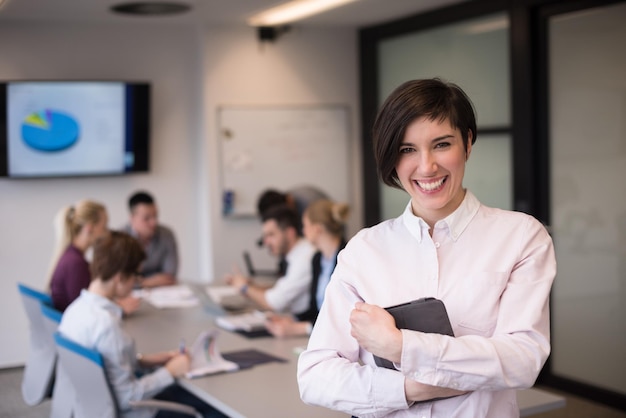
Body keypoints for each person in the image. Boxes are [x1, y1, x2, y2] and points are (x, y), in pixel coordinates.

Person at [297, 78, 556, 417]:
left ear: (468, 142)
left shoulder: (520, 237)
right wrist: (412, 389)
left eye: (442, 144)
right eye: (407, 150)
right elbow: (315, 376)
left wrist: (400, 347)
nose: (426, 166)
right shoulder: (364, 250)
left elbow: (522, 360)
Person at [58, 231, 226, 418]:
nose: (136, 283)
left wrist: (150, 360)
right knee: (214, 411)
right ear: (120, 278)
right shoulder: (107, 326)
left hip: (88, 408)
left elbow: (105, 365)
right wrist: (170, 371)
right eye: (136, 276)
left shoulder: (74, 311)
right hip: (130, 411)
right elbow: (128, 397)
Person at [265, 199, 349, 338]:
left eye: (305, 226)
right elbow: (316, 311)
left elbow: (342, 316)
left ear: (317, 229)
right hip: (323, 337)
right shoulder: (317, 259)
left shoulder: (348, 258)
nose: (303, 231)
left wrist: (298, 328)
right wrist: (294, 320)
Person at [49, 200, 140, 314]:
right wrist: (118, 309)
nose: (107, 232)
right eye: (104, 226)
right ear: (89, 228)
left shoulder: (71, 256)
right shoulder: (76, 264)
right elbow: (85, 310)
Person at [226, 205, 316, 316]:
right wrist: (252, 286)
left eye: (271, 235)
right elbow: (281, 289)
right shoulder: (297, 254)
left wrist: (244, 287)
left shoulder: (305, 258)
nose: (266, 242)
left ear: (290, 233)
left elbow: (274, 302)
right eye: (265, 236)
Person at [123, 191, 178, 288]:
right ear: (132, 218)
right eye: (147, 218)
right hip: (129, 296)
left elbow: (169, 276)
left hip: (162, 294)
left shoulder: (166, 234)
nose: (154, 222)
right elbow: (120, 281)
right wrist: (147, 282)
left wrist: (137, 280)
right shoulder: (120, 239)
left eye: (155, 216)